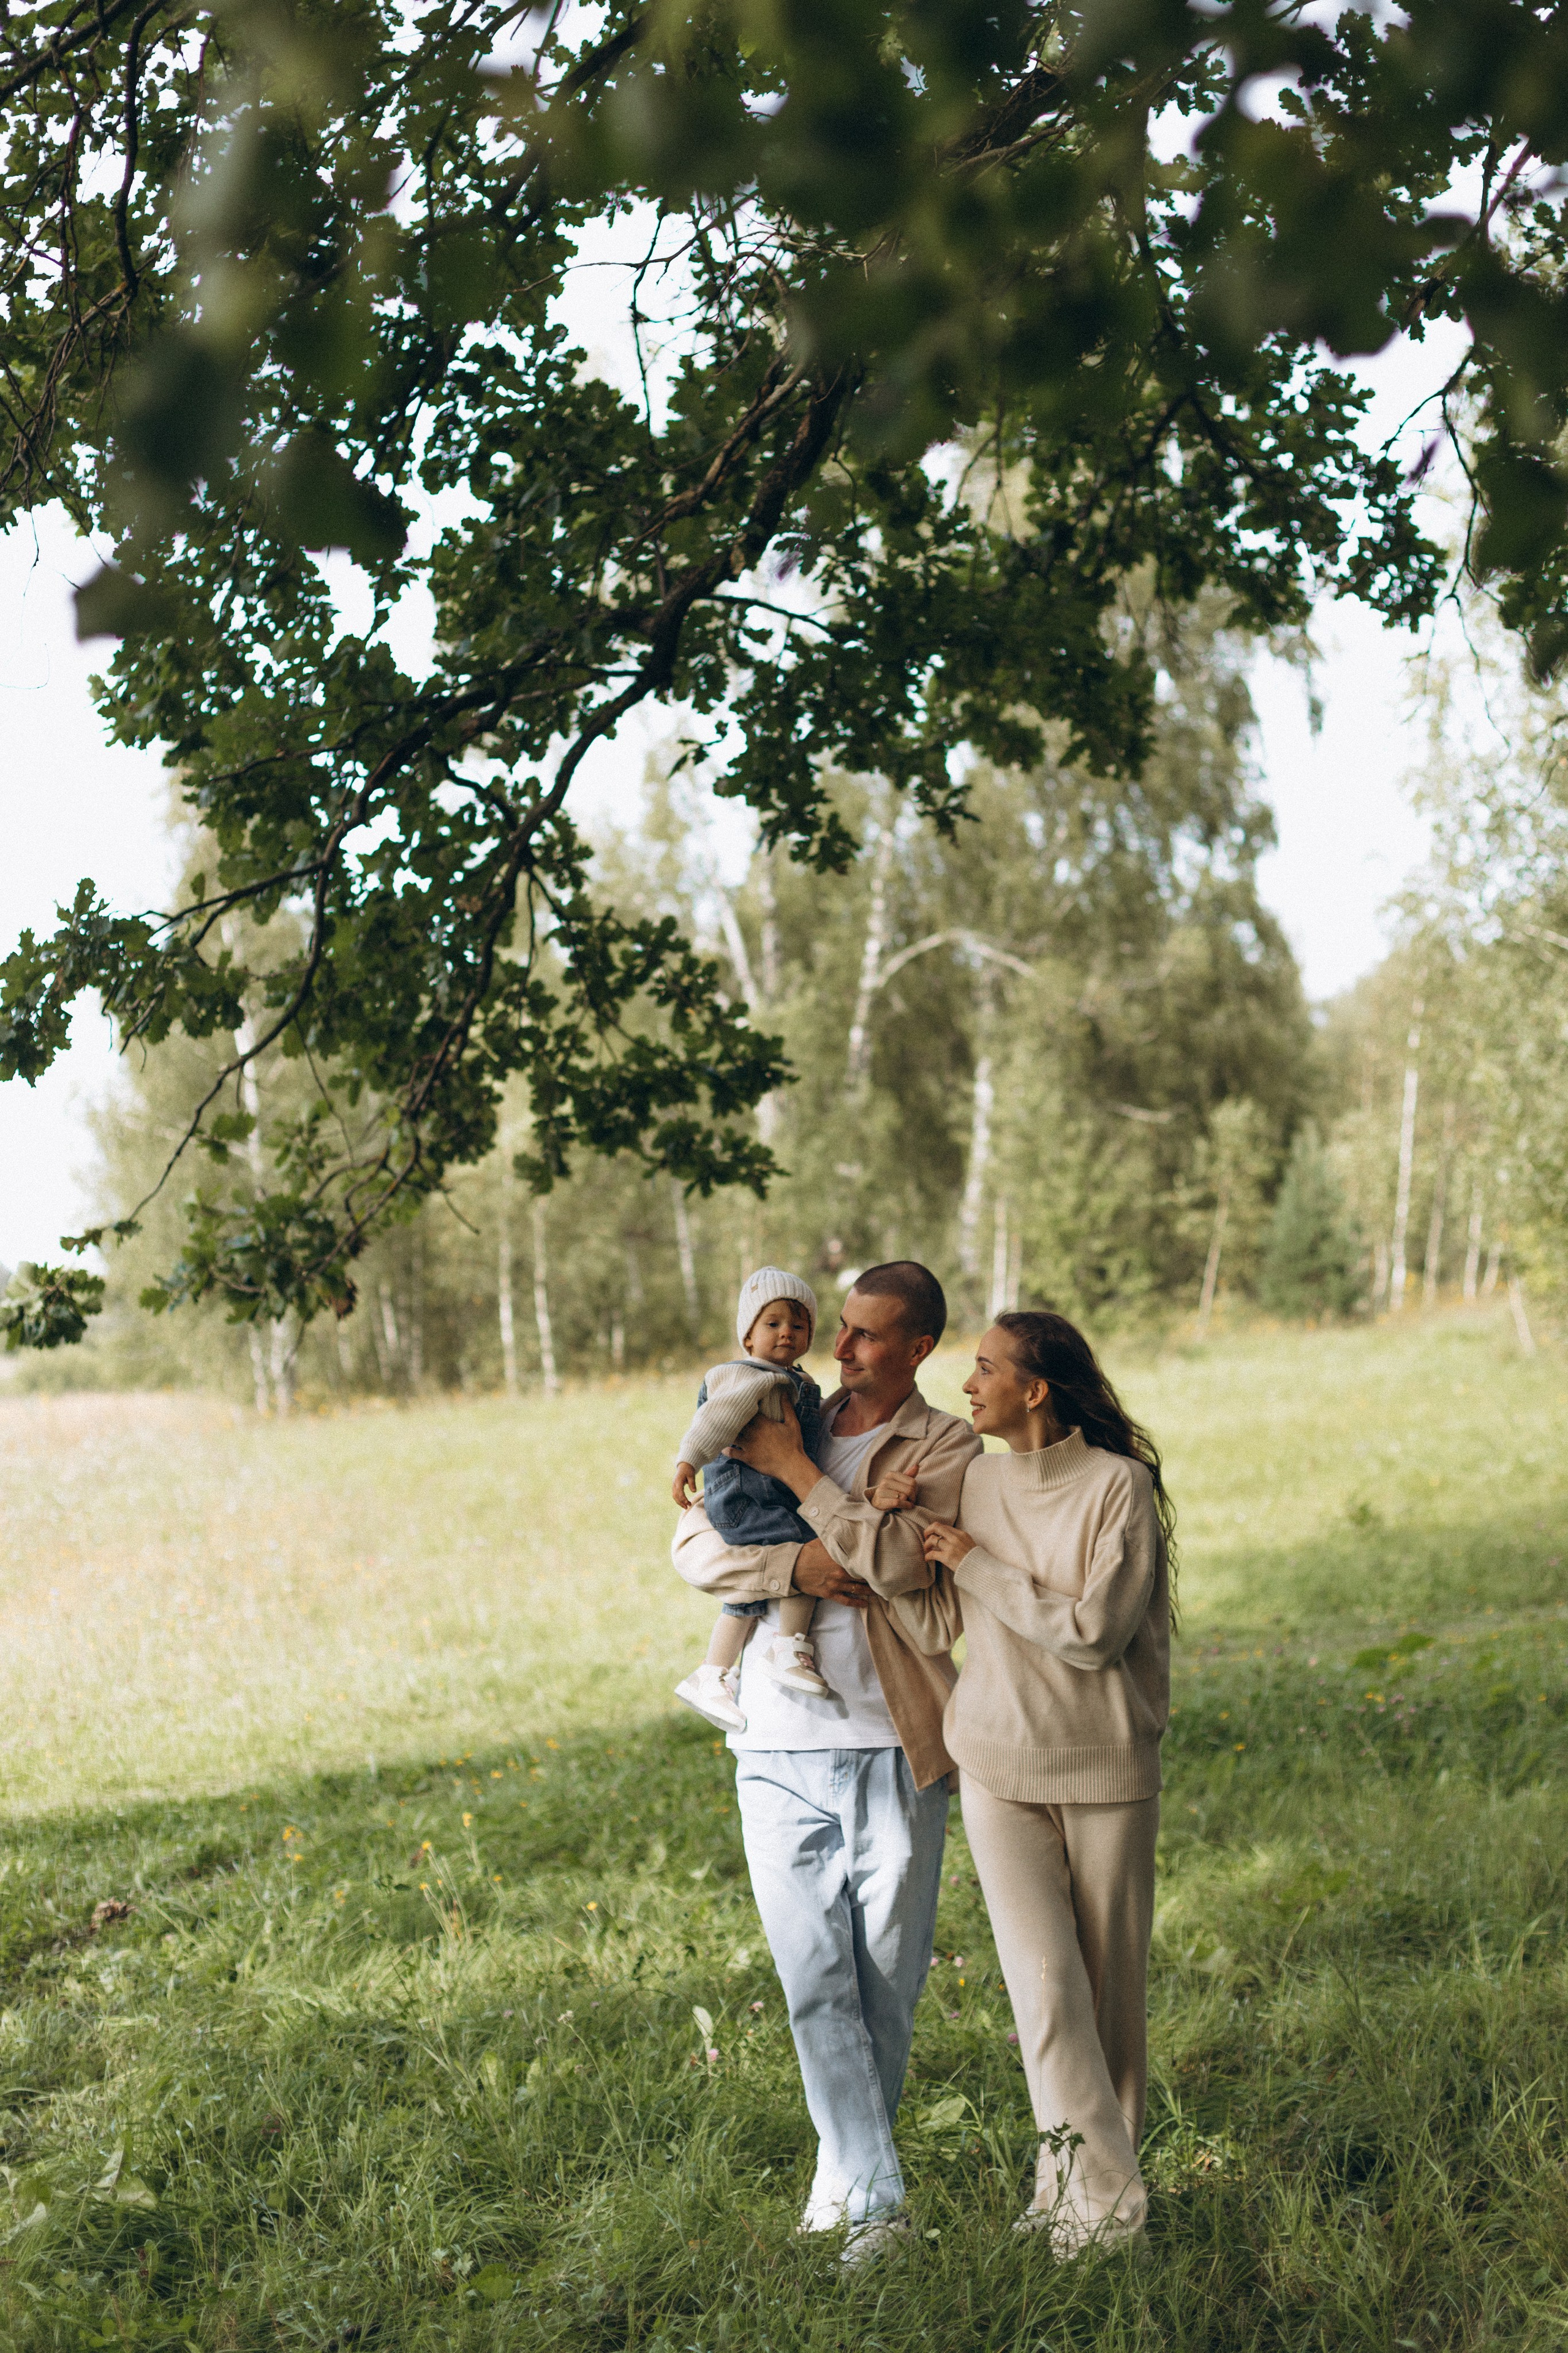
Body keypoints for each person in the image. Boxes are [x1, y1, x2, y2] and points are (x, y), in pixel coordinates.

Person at [671, 1262, 981, 2264]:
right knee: (814, 1981)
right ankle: (880, 2206)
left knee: (881, 1989)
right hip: (773, 1739)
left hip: (895, 1742)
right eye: (837, 1329)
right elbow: (692, 1549)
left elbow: (899, 1565)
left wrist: (803, 1481)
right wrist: (797, 1566)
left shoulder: (944, 1441)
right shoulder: (776, 1401)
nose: (839, 1350)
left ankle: (840, 2179)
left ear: (919, 1348)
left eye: (864, 1336)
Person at [886, 1310, 1172, 2257]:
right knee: (1047, 1993)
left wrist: (980, 1565)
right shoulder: (971, 1479)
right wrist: (901, 1526)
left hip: (1105, 1769)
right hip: (998, 1766)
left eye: (984, 1369)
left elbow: (1095, 1633)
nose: (968, 1386)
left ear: (1035, 1389)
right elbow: (935, 1620)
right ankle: (1106, 2221)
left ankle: (1073, 2193)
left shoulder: (1118, 1488)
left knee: (1108, 1996)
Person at [670, 1267, 832, 1730]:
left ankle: (713, 1674)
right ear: (748, 1335)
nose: (786, 1332)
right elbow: (714, 1419)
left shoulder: (796, 1379)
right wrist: (688, 1460)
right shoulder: (747, 1376)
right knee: (802, 1554)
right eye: (773, 1323)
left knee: (748, 1595)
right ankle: (789, 1647)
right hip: (745, 1497)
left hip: (767, 1495)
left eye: (798, 1325)